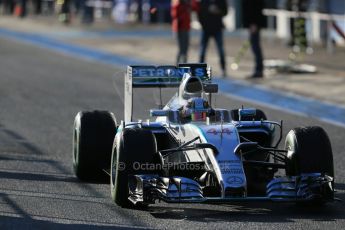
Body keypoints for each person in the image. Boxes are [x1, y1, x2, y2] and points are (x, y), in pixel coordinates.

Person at [197, 0, 228, 77]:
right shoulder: (203, 2)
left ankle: (223, 69)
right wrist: (203, 24)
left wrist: (217, 11)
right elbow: (199, 13)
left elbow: (225, 12)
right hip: (206, 28)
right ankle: (200, 71)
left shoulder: (221, 1)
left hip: (217, 28)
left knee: (220, 49)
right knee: (202, 50)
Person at [242, 0, 265, 78]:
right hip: (252, 24)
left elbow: (256, 8)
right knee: (254, 47)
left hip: (254, 24)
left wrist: (254, 23)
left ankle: (259, 70)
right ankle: (258, 69)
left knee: (256, 47)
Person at [171, 0, 198, 64]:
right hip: (179, 29)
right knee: (182, 49)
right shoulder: (178, 3)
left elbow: (196, 8)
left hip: (186, 28)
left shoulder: (188, 4)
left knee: (185, 48)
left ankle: (183, 64)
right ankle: (178, 64)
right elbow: (174, 15)